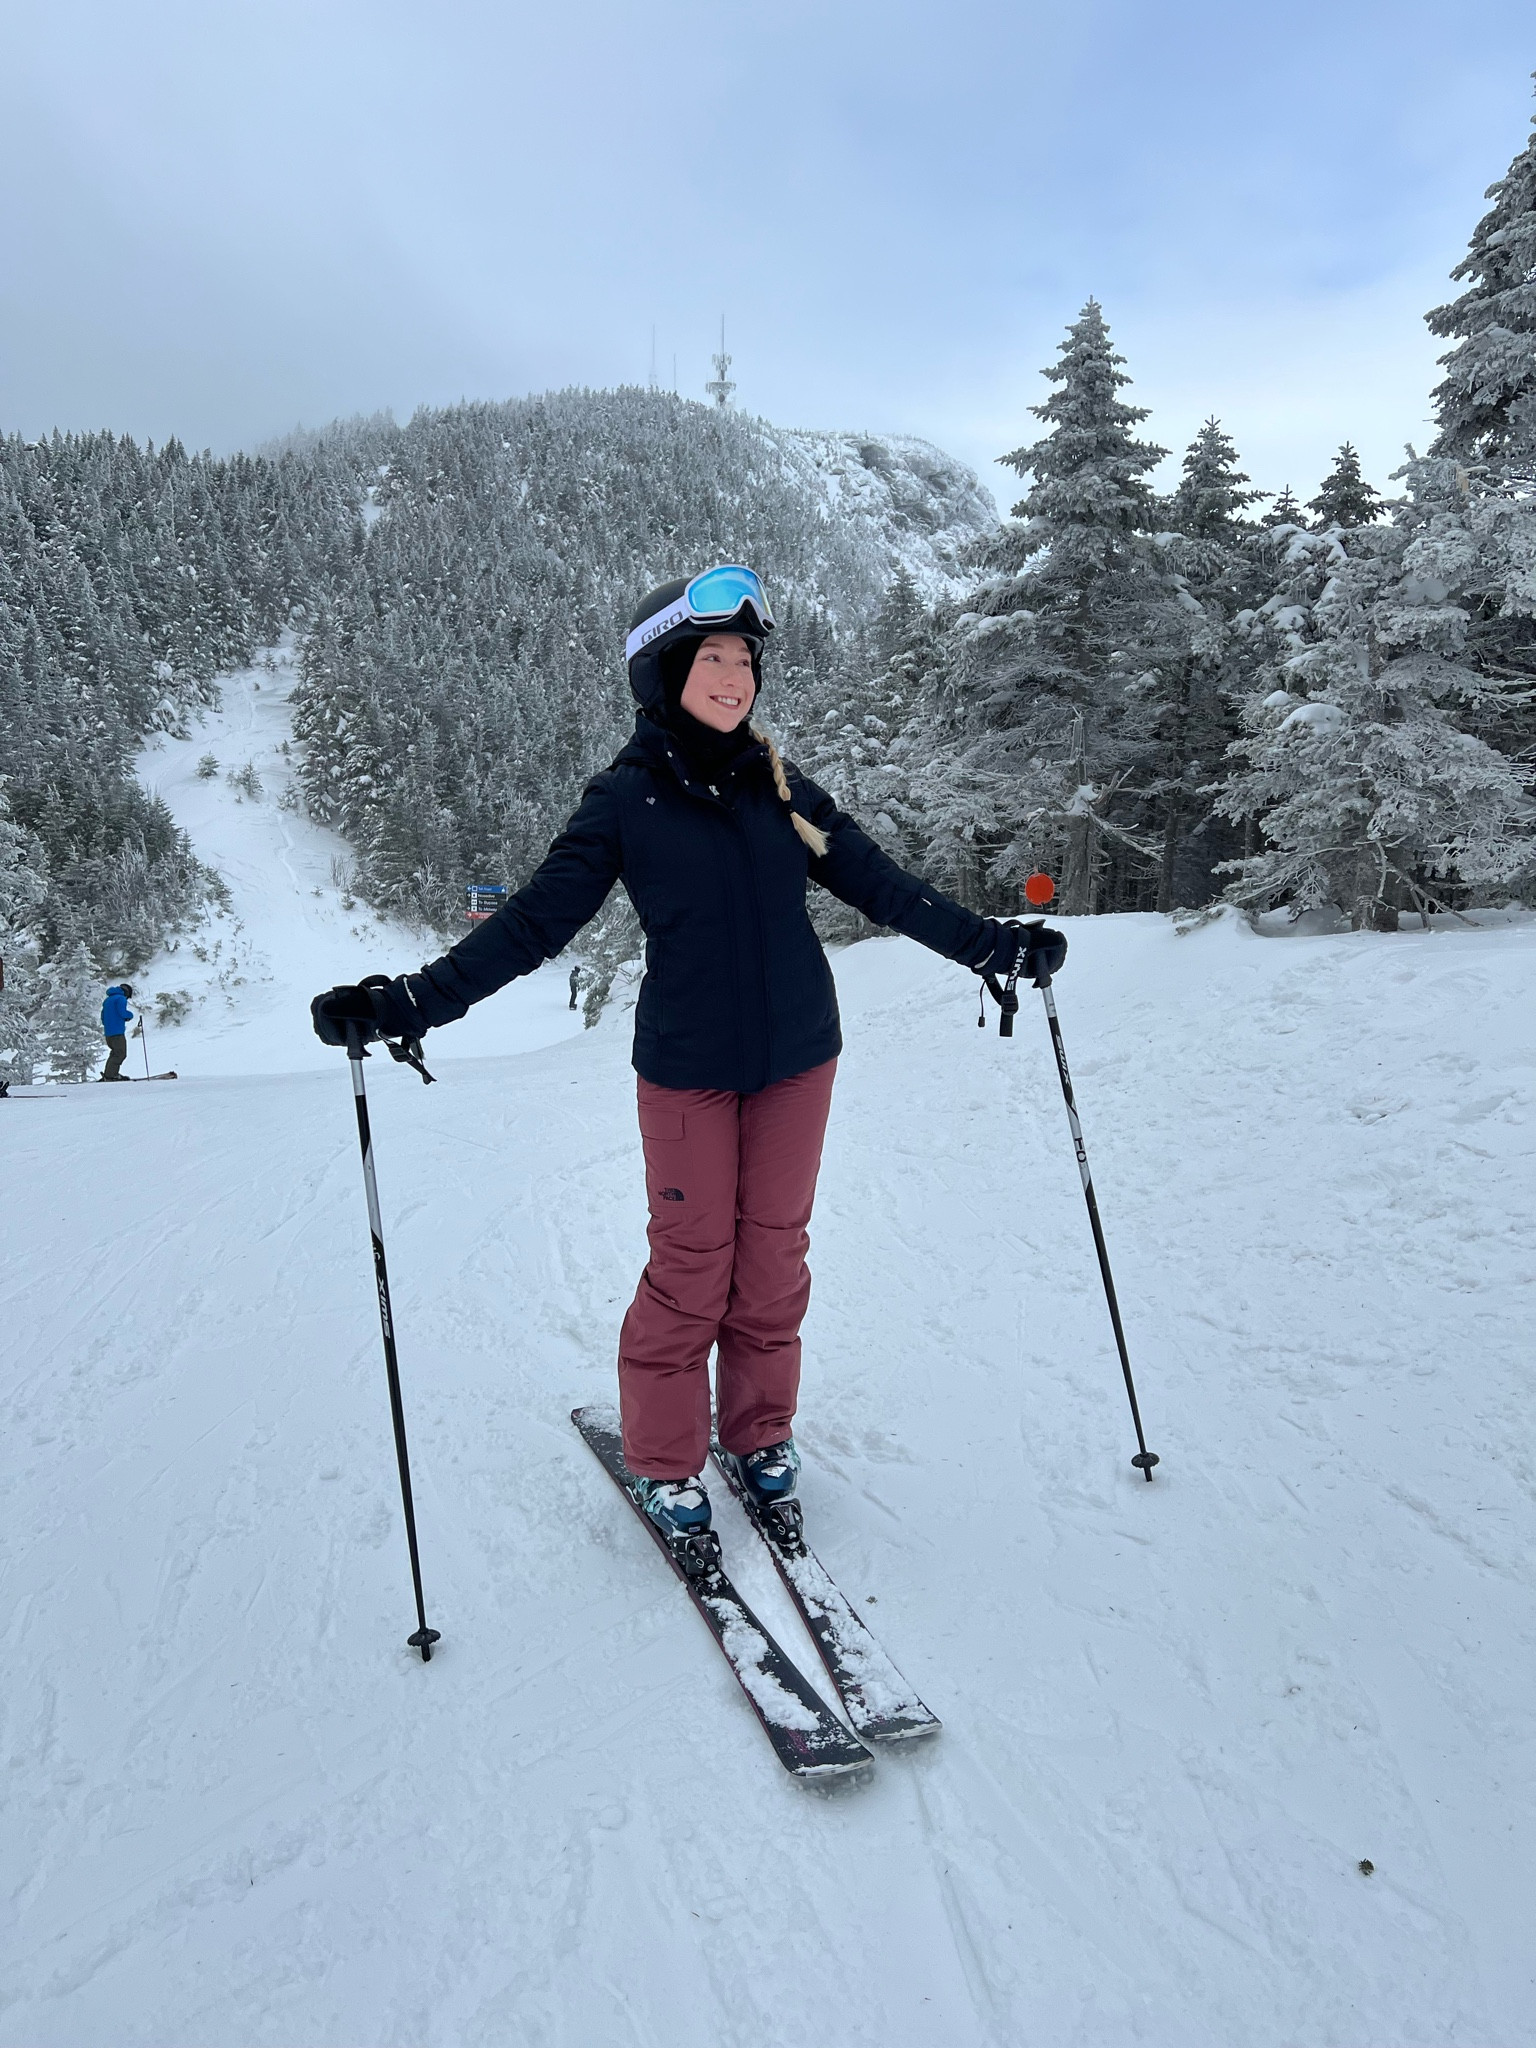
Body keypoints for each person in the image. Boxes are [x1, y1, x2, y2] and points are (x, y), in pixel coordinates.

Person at [312, 567, 1066, 1549]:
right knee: (693, 1262)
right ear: (665, 671)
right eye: (713, 657)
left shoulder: (785, 787)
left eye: (746, 660)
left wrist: (994, 946)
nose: (735, 675)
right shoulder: (626, 798)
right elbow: (536, 922)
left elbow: (886, 887)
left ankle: (758, 1434)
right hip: (687, 1068)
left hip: (799, 1055)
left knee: (773, 1259)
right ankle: (666, 1456)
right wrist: (410, 1001)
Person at [100, 983, 135, 1082]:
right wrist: (130, 1015)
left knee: (115, 1053)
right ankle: (111, 1075)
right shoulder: (121, 999)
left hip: (108, 1033)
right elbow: (122, 1012)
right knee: (120, 1053)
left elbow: (103, 1016)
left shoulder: (107, 1000)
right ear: (127, 993)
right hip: (117, 1032)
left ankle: (109, 1074)